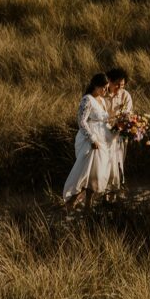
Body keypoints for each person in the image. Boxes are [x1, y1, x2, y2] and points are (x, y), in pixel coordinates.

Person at [63, 73, 120, 210]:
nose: (105, 91)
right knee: (86, 172)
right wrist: (92, 139)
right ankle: (72, 201)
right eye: (103, 88)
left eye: (107, 88)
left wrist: (117, 127)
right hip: (90, 140)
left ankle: (88, 204)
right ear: (95, 86)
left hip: (103, 138)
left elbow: (104, 120)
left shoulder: (102, 100)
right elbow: (81, 121)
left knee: (96, 173)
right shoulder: (87, 100)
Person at [105, 66, 133, 189]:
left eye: (122, 85)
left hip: (119, 132)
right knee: (105, 161)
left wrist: (122, 123)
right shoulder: (101, 94)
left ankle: (118, 186)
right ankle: (104, 186)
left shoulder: (125, 95)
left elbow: (127, 113)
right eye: (117, 84)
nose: (119, 88)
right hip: (103, 132)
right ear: (109, 81)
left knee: (119, 159)